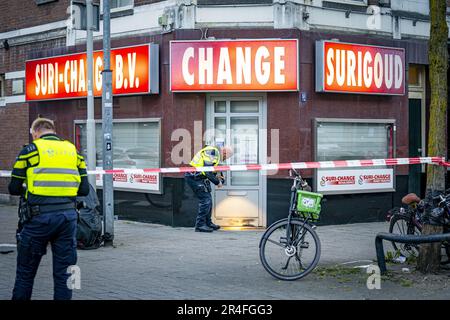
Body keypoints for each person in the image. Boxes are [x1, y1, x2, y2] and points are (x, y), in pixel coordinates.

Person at [8, 117, 89, 300]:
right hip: (68, 219)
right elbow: (84, 189)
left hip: (38, 219)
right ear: (52, 130)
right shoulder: (73, 152)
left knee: (25, 274)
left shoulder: (29, 151)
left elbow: (13, 188)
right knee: (65, 274)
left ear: (36, 132)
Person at [185, 145, 233, 232]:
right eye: (226, 157)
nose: (225, 159)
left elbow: (215, 170)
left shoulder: (216, 154)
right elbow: (207, 170)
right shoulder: (212, 151)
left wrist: (221, 179)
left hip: (199, 177)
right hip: (194, 177)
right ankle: (200, 225)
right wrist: (217, 182)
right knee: (205, 200)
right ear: (225, 152)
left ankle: (208, 223)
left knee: (209, 200)